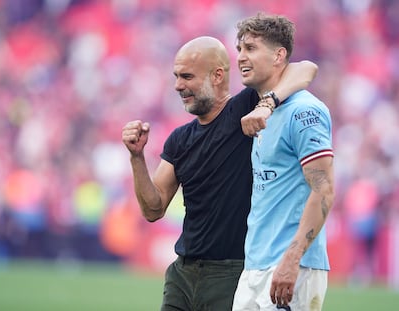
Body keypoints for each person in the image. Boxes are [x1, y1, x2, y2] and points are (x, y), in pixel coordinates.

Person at [122, 36, 317, 311]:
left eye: (187, 76)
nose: (178, 85)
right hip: (182, 273)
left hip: (231, 272)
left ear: (217, 76)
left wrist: (267, 103)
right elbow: (153, 209)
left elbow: (305, 68)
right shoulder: (179, 139)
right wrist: (136, 157)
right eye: (176, 76)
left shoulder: (245, 107)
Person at [232, 13, 335, 311]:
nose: (240, 57)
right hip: (255, 266)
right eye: (239, 49)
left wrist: (293, 259)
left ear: (279, 55)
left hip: (290, 266)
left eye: (250, 48)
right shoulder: (262, 109)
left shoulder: (304, 112)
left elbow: (324, 190)